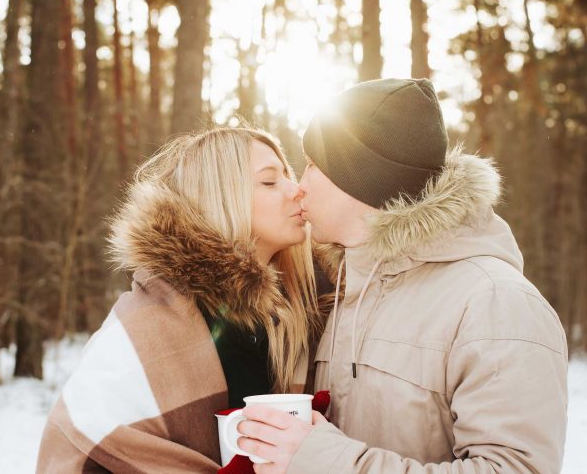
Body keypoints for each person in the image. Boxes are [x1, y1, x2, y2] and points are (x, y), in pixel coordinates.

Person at [235, 78, 569, 473]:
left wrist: (323, 462)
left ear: (360, 180)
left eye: (312, 166)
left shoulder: (496, 303)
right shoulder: (345, 290)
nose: (300, 188)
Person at [35, 127, 320, 473]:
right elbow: (83, 438)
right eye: (270, 182)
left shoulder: (290, 312)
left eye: (288, 176)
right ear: (222, 197)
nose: (297, 190)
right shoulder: (151, 322)